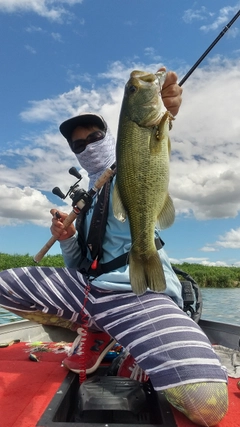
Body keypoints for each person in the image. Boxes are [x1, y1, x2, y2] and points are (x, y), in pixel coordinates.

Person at [0, 69, 228, 426]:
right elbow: (78, 266)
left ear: (112, 135)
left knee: (207, 405)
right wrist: (68, 239)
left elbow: (152, 147)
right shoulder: (84, 199)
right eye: (78, 144)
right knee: (3, 285)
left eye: (95, 135)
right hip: (89, 292)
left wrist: (165, 113)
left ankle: (132, 339)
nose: (87, 145)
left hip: (141, 293)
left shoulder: (126, 166)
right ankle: (100, 330)